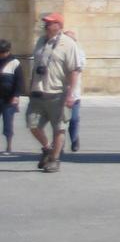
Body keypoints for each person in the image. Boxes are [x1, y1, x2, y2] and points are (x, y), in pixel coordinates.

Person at [25, 12, 84, 173]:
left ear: (59, 25)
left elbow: (74, 70)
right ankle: (47, 148)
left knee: (59, 128)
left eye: (50, 22)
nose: (46, 25)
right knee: (32, 124)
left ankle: (54, 159)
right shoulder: (40, 41)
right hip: (38, 92)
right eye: (46, 22)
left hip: (58, 93)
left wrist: (71, 94)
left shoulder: (68, 44)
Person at [65, 28, 84, 152]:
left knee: (74, 119)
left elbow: (78, 68)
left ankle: (74, 139)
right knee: (59, 121)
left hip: (74, 94)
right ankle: (58, 144)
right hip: (59, 93)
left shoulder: (79, 53)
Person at [0, 40, 19, 155]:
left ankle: (9, 146)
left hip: (9, 98)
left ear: (8, 51)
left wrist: (16, 95)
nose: (2, 54)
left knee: (8, 123)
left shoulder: (15, 63)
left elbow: (19, 81)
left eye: (3, 52)